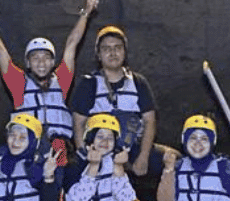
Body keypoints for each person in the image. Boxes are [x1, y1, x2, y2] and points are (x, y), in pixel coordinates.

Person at [0, 0, 98, 163]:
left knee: (64, 161)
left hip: (56, 148)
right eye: (35, 58)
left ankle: (58, 186)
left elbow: (72, 44)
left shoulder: (62, 80)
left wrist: (86, 13)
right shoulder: (18, 83)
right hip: (25, 146)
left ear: (52, 63)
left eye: (46, 58)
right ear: (28, 63)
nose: (41, 63)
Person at [69, 25, 169, 178]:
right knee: (68, 171)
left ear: (124, 51)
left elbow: (150, 121)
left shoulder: (138, 82)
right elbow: (78, 124)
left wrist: (143, 157)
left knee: (174, 160)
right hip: (99, 147)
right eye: (106, 49)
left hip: (132, 147)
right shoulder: (88, 84)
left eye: (117, 47)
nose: (112, 52)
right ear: (98, 54)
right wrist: (86, 156)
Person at [60, 113, 137, 201]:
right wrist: (93, 167)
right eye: (100, 136)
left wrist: (119, 168)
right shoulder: (75, 164)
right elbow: (78, 199)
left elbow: (125, 198)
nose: (105, 142)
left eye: (110, 138)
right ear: (90, 138)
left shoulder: (119, 161)